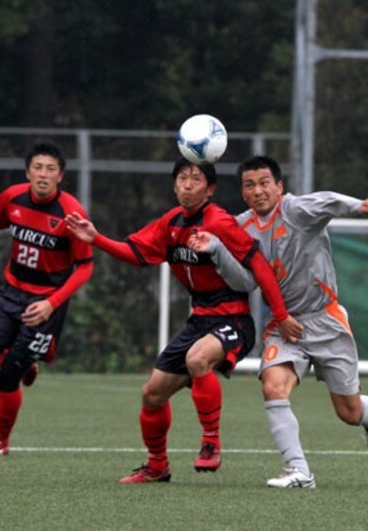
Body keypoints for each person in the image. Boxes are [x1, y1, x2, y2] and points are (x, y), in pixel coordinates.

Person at [65, 157, 302, 484]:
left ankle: (211, 443)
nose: (187, 185)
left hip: (233, 317)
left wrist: (281, 314)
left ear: (210, 189)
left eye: (195, 179)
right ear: (174, 184)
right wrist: (95, 238)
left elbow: (258, 264)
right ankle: (157, 466)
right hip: (199, 319)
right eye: (182, 178)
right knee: (152, 394)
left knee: (197, 358)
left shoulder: (218, 222)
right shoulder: (170, 223)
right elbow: (136, 254)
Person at [187, 155, 368, 488]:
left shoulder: (296, 210)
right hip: (283, 326)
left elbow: (328, 201)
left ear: (279, 187)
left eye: (265, 183)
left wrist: (359, 206)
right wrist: (217, 250)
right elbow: (246, 283)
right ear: (242, 192)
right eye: (249, 185)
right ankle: (299, 471)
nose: (258, 191)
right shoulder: (238, 227)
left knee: (348, 413)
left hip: (325, 319)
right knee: (273, 386)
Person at [0, 141, 94, 456]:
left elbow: (85, 268)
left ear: (60, 176)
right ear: (27, 172)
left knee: (10, 372)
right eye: (37, 167)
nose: (43, 174)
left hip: (46, 303)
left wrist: (52, 303)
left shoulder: (71, 213)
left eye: (50, 169)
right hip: (11, 294)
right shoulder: (11, 198)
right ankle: (24, 358)